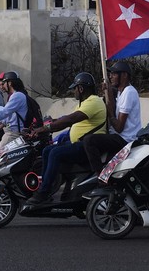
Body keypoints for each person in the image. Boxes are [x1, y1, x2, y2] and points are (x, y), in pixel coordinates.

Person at [25, 72, 106, 205]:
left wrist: (43, 129)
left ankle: (44, 193)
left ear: (81, 88)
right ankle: (48, 188)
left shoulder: (94, 102)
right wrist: (45, 124)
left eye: (75, 88)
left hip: (86, 146)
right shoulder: (83, 103)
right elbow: (67, 118)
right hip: (78, 143)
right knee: (47, 150)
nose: (74, 92)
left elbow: (70, 120)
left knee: (55, 153)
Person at [83, 61, 141, 174]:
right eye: (110, 74)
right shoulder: (121, 92)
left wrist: (109, 111)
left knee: (89, 140)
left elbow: (119, 127)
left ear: (124, 75)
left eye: (114, 74)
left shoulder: (129, 92)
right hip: (118, 136)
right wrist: (108, 92)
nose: (110, 76)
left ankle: (99, 176)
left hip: (124, 139)